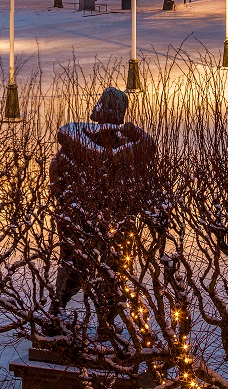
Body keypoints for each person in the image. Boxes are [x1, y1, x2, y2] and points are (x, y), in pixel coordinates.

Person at [44, 87, 157, 345]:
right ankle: (98, 323)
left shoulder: (75, 142)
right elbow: (141, 178)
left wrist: (69, 209)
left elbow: (57, 179)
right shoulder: (128, 147)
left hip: (83, 219)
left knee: (79, 268)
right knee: (108, 272)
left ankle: (60, 318)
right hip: (103, 221)